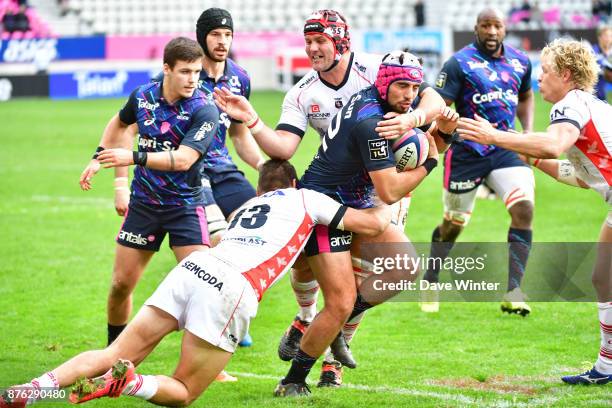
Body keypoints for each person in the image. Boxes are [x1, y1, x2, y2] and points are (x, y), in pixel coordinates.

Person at [0, 160, 392, 408]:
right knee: (184, 392)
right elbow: (372, 225)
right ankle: (133, 383)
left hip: (196, 267)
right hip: (232, 286)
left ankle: (31, 390)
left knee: (112, 353)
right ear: (293, 181)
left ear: (260, 189)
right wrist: (391, 190)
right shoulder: (306, 197)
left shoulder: (247, 207)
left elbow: (222, 241)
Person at [213, 9, 446, 387]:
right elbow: (284, 147)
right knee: (326, 285)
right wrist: (253, 120)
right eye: (308, 42)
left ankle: (328, 334)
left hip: (369, 186)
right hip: (333, 201)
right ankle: (300, 360)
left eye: (321, 41)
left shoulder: (378, 70)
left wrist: (411, 120)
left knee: (395, 269)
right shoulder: (306, 93)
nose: (313, 49)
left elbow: (431, 95)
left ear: (341, 42)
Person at [267, 51, 456, 397]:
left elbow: (433, 102)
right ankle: (293, 380)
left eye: (414, 86)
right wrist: (430, 162)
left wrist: (441, 132)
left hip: (356, 206)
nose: (409, 94)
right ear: (384, 83)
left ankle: (331, 325)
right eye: (401, 86)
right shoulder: (372, 122)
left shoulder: (387, 107)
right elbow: (390, 188)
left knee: (404, 267)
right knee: (338, 301)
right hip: (325, 209)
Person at [457, 38, 611, 385]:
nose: (538, 78)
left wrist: (495, 136)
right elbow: (584, 178)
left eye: (545, 71)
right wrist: (533, 158)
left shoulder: (569, 106)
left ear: (566, 75)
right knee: (603, 279)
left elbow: (554, 143)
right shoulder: (586, 105)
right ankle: (606, 367)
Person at [115, 8, 264, 356]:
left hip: (223, 167)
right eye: (215, 34)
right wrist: (121, 180)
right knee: (216, 243)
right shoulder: (177, 77)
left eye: (227, 35)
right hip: (190, 175)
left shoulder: (239, 79)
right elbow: (131, 126)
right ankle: (216, 327)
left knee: (256, 238)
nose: (222, 41)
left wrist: (264, 165)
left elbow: (240, 134)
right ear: (202, 37)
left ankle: (232, 308)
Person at [79, 37, 218, 347]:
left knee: (202, 288)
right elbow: (118, 124)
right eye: (185, 71)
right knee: (120, 285)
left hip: (185, 206)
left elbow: (183, 160)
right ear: (166, 68)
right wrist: (98, 157)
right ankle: (113, 354)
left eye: (197, 72)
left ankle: (204, 361)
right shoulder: (142, 97)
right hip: (144, 205)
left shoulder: (205, 109)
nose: (192, 79)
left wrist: (134, 157)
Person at [421, 7, 535, 316]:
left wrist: (526, 133)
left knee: (524, 208)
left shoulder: (520, 61)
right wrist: (436, 135)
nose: (492, 31)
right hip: (467, 152)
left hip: (504, 146)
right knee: (453, 226)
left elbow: (526, 96)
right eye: (486, 25)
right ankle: (431, 277)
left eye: (497, 25)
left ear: (505, 29)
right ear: (476, 28)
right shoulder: (459, 63)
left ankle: (514, 290)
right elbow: (439, 103)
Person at [592, 25, 612, 101]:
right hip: (596, 87)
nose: (608, 39)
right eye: (606, 36)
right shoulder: (593, 51)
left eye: (610, 36)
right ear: (600, 38)